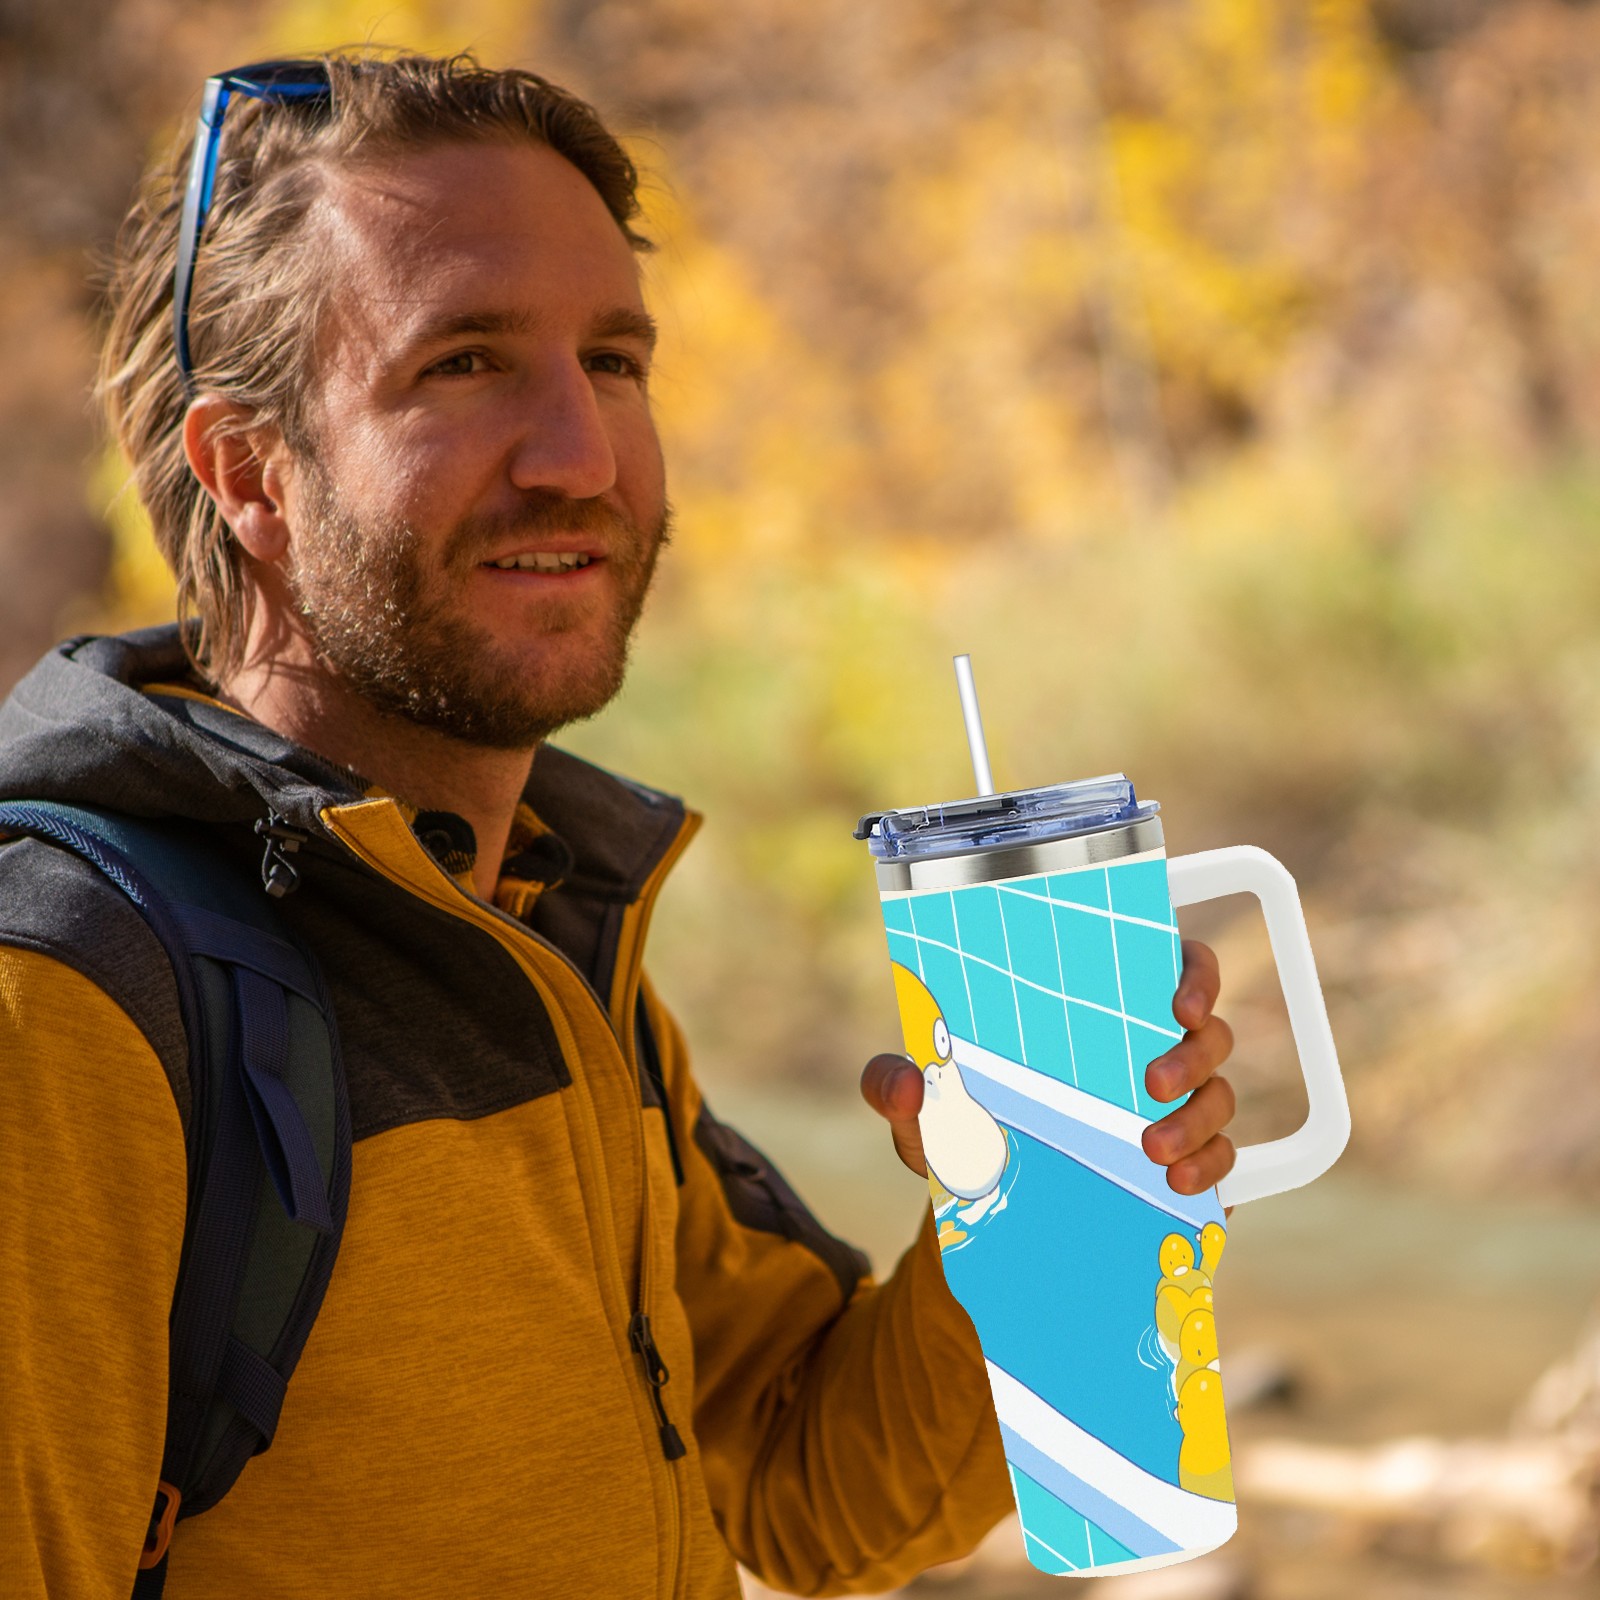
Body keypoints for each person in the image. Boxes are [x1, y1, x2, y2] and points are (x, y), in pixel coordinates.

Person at [0, 51, 1239, 1598]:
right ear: (250, 473)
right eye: (463, 364)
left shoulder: (540, 924)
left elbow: (806, 1486)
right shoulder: (71, 998)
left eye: (614, 360)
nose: (581, 455)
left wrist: (1051, 1200)